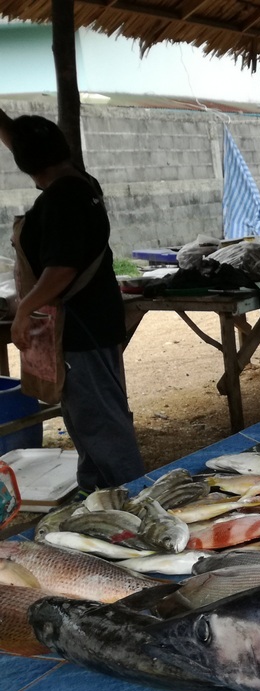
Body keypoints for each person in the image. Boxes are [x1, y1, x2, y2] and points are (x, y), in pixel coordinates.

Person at [0, 110, 144, 492]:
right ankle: (96, 489)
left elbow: (61, 271)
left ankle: (131, 498)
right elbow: (25, 143)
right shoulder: (80, 182)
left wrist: (25, 309)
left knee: (100, 418)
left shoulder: (61, 200)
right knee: (85, 414)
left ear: (25, 163)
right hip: (95, 320)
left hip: (79, 326)